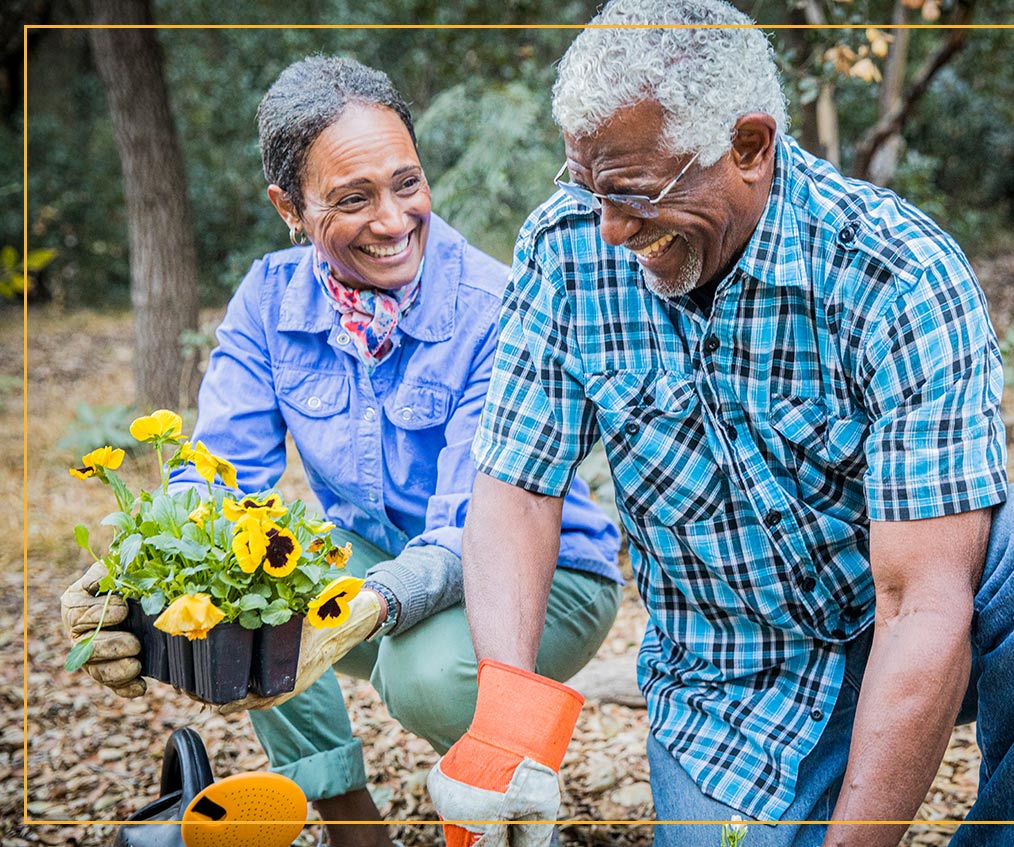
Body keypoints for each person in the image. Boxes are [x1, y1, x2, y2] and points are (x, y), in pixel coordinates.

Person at [427, 2, 1014, 846]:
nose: (612, 229)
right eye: (589, 187)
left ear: (749, 146)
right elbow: (516, 488)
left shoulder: (895, 273)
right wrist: (507, 725)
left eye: (632, 193)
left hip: (913, 625)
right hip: (726, 682)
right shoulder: (565, 252)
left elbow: (921, 602)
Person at [58, 55, 623, 847]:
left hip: (543, 573)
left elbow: (477, 524)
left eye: (408, 183)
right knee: (249, 582)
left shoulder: (494, 307)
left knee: (420, 672)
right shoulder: (268, 298)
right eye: (353, 199)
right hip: (387, 557)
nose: (393, 221)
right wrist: (137, 573)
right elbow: (216, 477)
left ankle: (509, 817)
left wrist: (377, 600)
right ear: (289, 207)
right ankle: (355, 830)